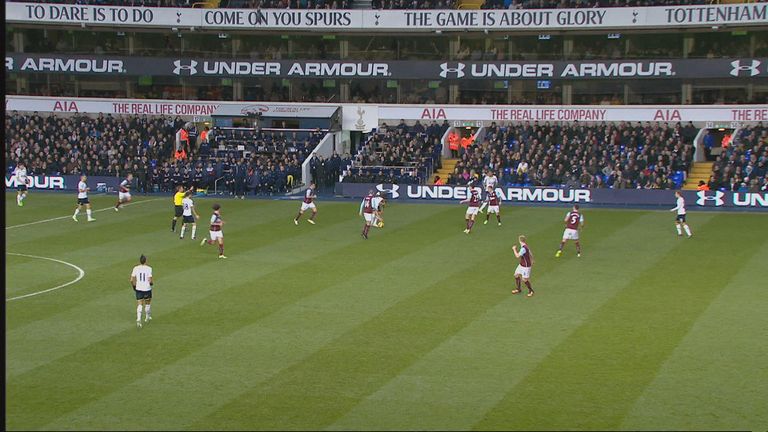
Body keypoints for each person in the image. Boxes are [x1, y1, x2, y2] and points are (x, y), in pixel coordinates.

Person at [130, 254, 153, 328]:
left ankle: (138, 319)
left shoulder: (135, 268)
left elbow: (131, 279)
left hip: (138, 288)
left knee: (139, 303)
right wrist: (151, 283)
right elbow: (150, 280)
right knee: (147, 303)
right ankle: (147, 317)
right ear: (145, 261)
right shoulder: (149, 268)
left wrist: (134, 286)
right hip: (147, 288)